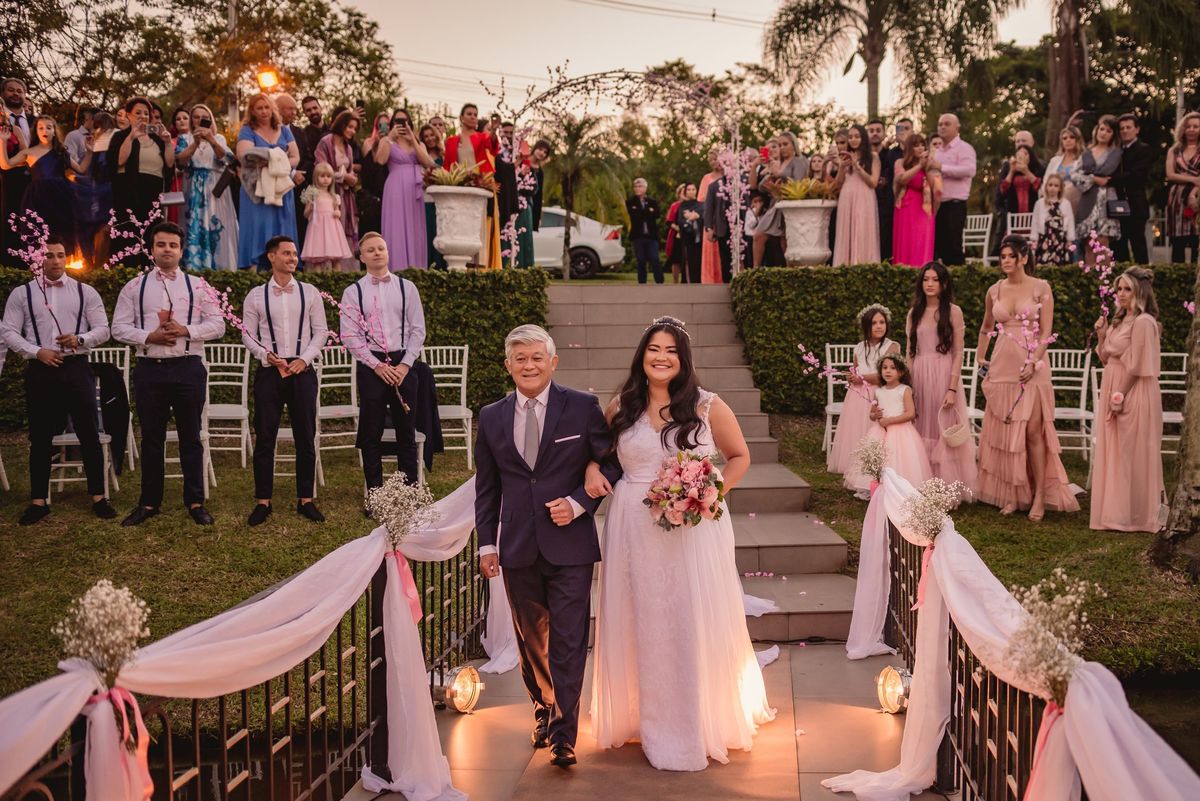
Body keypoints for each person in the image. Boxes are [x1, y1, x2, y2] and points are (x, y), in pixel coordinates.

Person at [584, 316, 774, 771]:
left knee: (685, 615)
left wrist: (709, 494)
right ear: (642, 355)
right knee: (638, 613)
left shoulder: (708, 407)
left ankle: (690, 718)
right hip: (631, 522)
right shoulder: (621, 406)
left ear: (683, 359)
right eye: (654, 348)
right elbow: (598, 456)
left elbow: (740, 456)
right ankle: (636, 714)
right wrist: (592, 469)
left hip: (692, 527)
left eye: (671, 350)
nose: (662, 357)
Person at [474, 324, 622, 769]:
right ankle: (543, 708)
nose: (529, 365)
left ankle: (564, 732)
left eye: (537, 357)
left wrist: (580, 503)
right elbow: (487, 487)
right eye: (520, 358)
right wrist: (486, 544)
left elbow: (612, 462)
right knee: (531, 640)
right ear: (508, 365)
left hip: (571, 546)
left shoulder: (581, 407)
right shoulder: (491, 416)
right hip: (517, 545)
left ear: (553, 362)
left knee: (570, 640)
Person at [112, 221, 225, 526]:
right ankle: (149, 503)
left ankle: (195, 502)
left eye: (173, 245)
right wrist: (149, 337)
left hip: (188, 367)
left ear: (181, 250)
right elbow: (118, 327)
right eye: (161, 244)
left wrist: (187, 330)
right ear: (152, 249)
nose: (167, 250)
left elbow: (219, 324)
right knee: (152, 438)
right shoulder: (134, 287)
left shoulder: (198, 285)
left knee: (191, 437)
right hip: (151, 369)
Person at [1, 235, 116, 524]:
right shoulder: (22, 294)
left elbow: (103, 329)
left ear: (67, 258)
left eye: (60, 255)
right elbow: (9, 331)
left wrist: (80, 338)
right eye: (48, 255)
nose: (54, 260)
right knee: (40, 436)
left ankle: (98, 497)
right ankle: (38, 501)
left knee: (89, 432)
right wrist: (36, 351)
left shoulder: (85, 292)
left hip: (76, 368)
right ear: (39, 258)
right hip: (41, 370)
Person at [975, 234, 1079, 521]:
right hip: (1002, 366)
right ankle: (1011, 494)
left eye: (1010, 256)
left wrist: (1034, 361)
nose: (1005, 261)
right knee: (1007, 433)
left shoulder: (1041, 288)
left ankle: (1040, 497)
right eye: (1002, 256)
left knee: (1033, 432)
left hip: (1032, 366)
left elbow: (1046, 332)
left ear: (1023, 257)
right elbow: (986, 327)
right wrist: (981, 357)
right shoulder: (994, 290)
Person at [241, 236, 329, 526]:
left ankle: (306, 499)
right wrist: (267, 356)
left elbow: (321, 332)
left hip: (302, 370)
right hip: (270, 372)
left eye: (295, 254)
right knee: (265, 436)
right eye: (287, 253)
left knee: (305, 436)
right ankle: (263, 501)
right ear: (272, 257)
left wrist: (304, 359)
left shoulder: (311, 292)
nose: (293, 258)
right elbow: (248, 334)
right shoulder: (255, 296)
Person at [340, 232, 426, 490]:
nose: (377, 252)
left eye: (381, 248)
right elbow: (350, 335)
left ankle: (408, 491)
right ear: (362, 257)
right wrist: (376, 365)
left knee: (406, 432)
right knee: (371, 432)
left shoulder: (407, 287)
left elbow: (417, 330)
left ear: (388, 253)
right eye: (371, 250)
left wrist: (404, 365)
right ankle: (375, 493)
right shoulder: (353, 292)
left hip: (403, 364)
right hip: (371, 367)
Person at [1090, 267, 1163, 532]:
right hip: (1114, 384)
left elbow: (1137, 367)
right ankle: (1116, 514)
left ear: (1139, 291)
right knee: (1116, 451)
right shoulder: (1121, 320)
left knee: (1130, 451)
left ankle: (1136, 515)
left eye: (1126, 289)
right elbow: (1106, 357)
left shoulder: (1143, 322)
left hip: (1133, 392)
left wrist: (1120, 396)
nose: (1120, 294)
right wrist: (1102, 334)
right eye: (1118, 288)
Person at [906, 262, 977, 496]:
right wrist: (907, 385)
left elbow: (958, 352)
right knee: (920, 426)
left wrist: (952, 388)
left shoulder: (953, 312)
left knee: (942, 428)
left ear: (944, 283)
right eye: (926, 279)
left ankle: (946, 488)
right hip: (919, 374)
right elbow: (910, 351)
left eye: (935, 279)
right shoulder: (914, 312)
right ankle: (922, 481)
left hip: (944, 374)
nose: (929, 284)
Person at [826, 304, 899, 479]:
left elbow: (887, 375)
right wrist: (851, 376)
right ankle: (859, 473)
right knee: (857, 432)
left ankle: (878, 471)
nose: (879, 326)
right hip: (857, 396)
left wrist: (862, 378)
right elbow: (856, 370)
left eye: (882, 322)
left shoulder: (892, 347)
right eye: (874, 323)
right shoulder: (859, 348)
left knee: (875, 433)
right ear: (867, 326)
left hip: (879, 394)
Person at [843, 354, 932, 496]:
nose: (888, 371)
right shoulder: (878, 391)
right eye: (884, 368)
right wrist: (875, 416)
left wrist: (889, 421)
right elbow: (872, 414)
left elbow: (910, 413)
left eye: (892, 368)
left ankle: (899, 489)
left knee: (898, 459)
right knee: (880, 458)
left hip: (901, 432)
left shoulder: (904, 390)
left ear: (901, 372)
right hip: (880, 431)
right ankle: (879, 488)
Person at [0, 114, 84, 252]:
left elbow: (81, 169)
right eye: (41, 128)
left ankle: (61, 265)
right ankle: (38, 266)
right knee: (35, 231)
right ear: (36, 131)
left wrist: (91, 151)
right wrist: (2, 141)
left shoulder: (61, 151)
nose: (45, 131)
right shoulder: (29, 152)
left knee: (60, 230)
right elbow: (5, 165)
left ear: (54, 131)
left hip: (60, 196)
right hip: (37, 197)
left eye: (48, 127)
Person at [236, 93, 299, 270]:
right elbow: (245, 155)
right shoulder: (247, 130)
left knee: (282, 227)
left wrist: (268, 159)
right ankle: (253, 269)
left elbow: (295, 156)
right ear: (252, 111)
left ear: (273, 108)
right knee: (256, 226)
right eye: (259, 108)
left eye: (267, 107)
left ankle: (283, 268)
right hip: (257, 189)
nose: (264, 111)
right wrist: (278, 157)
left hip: (281, 188)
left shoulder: (284, 130)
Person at [176, 103, 237, 270]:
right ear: (192, 121)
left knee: (216, 224)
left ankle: (220, 268)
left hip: (215, 186)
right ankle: (193, 266)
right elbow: (180, 161)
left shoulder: (219, 139)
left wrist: (210, 140)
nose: (200, 120)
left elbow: (229, 159)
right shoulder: (185, 138)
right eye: (196, 117)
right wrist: (195, 143)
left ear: (210, 120)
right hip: (193, 187)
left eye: (205, 117)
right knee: (193, 225)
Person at [376, 108, 436, 271]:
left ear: (410, 124)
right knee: (397, 229)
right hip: (395, 188)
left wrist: (413, 140)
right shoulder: (386, 140)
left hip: (414, 191)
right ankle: (395, 268)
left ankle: (416, 269)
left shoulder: (418, 142)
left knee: (415, 229)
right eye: (398, 122)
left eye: (405, 122)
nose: (402, 125)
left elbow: (428, 163)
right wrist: (390, 138)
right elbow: (380, 160)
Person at [107, 96, 173, 230]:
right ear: (128, 115)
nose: (143, 116)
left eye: (146, 113)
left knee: (152, 234)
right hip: (128, 194)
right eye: (138, 113)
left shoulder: (158, 139)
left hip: (154, 193)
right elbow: (119, 161)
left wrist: (167, 143)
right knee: (128, 235)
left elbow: (170, 165)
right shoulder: (120, 136)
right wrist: (131, 137)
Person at [752, 132, 808, 266]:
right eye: (780, 145)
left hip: (791, 204)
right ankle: (755, 270)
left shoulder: (799, 161)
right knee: (758, 235)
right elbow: (760, 187)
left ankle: (791, 270)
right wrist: (770, 178)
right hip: (776, 204)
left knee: (786, 241)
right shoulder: (779, 162)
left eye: (785, 144)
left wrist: (779, 175)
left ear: (794, 145)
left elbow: (798, 183)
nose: (782, 148)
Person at [1072, 115, 1122, 263]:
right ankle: (1090, 280)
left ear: (1113, 134)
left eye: (1108, 130)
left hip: (1105, 201)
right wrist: (1094, 178)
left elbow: (1110, 172)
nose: (1103, 133)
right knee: (1089, 244)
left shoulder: (1115, 153)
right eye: (1101, 129)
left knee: (1102, 243)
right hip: (1087, 200)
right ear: (1096, 130)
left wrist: (1092, 175)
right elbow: (1074, 175)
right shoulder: (1086, 153)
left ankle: (1104, 282)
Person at [315, 110, 361, 269]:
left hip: (345, 196)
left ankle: (345, 271)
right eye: (349, 127)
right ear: (341, 125)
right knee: (330, 231)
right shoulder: (325, 142)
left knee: (344, 232)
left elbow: (349, 170)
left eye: (354, 128)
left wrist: (351, 178)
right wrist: (342, 177)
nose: (352, 131)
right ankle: (327, 270)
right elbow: (320, 168)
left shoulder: (348, 147)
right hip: (327, 196)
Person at [832, 124, 880, 266]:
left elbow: (873, 182)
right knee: (845, 233)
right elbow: (837, 185)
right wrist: (841, 167)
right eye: (851, 137)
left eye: (857, 136)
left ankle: (863, 266)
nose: (853, 140)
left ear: (863, 138)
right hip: (847, 197)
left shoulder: (873, 157)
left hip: (864, 196)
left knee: (862, 230)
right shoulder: (844, 157)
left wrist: (857, 166)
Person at [932, 114, 976, 266]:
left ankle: (959, 282)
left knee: (953, 248)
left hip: (955, 204)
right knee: (940, 249)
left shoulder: (964, 148)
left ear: (957, 128)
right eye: (940, 124)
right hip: (939, 205)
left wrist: (942, 168)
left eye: (947, 124)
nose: (942, 127)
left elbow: (969, 170)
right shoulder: (937, 152)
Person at [1110, 114, 1153, 264]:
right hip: (1117, 205)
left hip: (1135, 205)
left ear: (1137, 129)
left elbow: (1137, 176)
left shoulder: (1144, 149)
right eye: (1122, 128)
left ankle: (1143, 281)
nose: (1125, 131)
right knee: (1118, 247)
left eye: (1128, 127)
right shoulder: (1116, 151)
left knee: (1138, 246)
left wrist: (1111, 179)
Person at [74, 111, 115, 265]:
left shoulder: (113, 140)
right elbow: (84, 168)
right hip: (92, 191)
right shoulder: (93, 144)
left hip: (106, 191)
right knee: (89, 228)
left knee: (104, 229)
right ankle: (91, 263)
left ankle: (98, 264)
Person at [892, 133, 936, 267]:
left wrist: (927, 166)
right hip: (906, 204)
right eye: (916, 145)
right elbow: (902, 179)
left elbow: (934, 186)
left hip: (925, 206)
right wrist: (919, 166)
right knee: (906, 241)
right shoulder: (900, 162)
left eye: (923, 145)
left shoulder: (930, 163)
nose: (920, 148)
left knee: (921, 240)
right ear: (910, 148)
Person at [1, 78, 33, 259]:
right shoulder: (1, 120)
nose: (15, 94)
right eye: (11, 90)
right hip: (6, 180)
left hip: (31, 182)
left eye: (19, 91)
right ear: (3, 94)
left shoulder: (36, 122)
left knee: (28, 225)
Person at [301, 162, 353, 270]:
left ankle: (337, 279)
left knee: (336, 257)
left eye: (328, 176)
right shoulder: (312, 194)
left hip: (332, 228)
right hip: (318, 227)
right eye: (322, 176)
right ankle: (318, 279)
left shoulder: (334, 196)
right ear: (316, 177)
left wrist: (337, 212)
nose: (325, 179)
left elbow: (338, 211)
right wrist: (310, 207)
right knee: (318, 257)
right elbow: (305, 214)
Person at [1164, 111, 1200, 264]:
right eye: (1188, 126)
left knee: (1196, 240)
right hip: (1177, 199)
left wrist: (1194, 192)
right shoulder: (1174, 150)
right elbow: (1170, 175)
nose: (1191, 129)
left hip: (1197, 197)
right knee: (1177, 243)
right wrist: (1193, 179)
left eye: (1196, 127)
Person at [868, 118, 902, 261]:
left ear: (884, 133)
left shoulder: (892, 155)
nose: (875, 134)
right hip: (867, 204)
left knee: (886, 244)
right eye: (871, 131)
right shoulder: (864, 157)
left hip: (887, 207)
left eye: (878, 130)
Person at [418, 123, 447, 269]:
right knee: (428, 233)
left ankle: (442, 267)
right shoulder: (421, 155)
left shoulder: (444, 155)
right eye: (426, 136)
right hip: (426, 199)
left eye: (431, 135)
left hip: (442, 202)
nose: (429, 139)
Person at [1031, 173, 1076, 266]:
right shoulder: (1039, 203)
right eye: (1050, 185)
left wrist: (1070, 239)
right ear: (1046, 186)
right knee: (1043, 264)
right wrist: (1034, 239)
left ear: (1060, 188)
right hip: (1045, 239)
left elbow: (1070, 222)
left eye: (1056, 186)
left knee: (1060, 265)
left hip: (1060, 240)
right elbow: (1035, 222)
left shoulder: (1065, 203)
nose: (1052, 188)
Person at [1041, 125, 1084, 213]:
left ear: (1077, 140)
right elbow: (1046, 180)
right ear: (1061, 142)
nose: (1068, 140)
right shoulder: (1055, 160)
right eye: (1065, 138)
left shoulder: (1082, 160)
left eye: (1072, 137)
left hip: (1074, 201)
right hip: (1052, 200)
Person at [626, 178, 662, 283]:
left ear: (645, 188)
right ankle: (642, 283)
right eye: (636, 186)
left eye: (640, 186)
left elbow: (657, 215)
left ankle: (659, 281)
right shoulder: (630, 202)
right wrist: (647, 212)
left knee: (654, 258)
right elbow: (634, 216)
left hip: (651, 236)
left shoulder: (652, 202)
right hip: (638, 236)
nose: (637, 188)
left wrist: (642, 212)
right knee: (641, 260)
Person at [697, 147, 725, 282]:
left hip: (725, 218)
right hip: (710, 218)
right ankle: (709, 279)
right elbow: (701, 200)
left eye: (716, 159)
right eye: (711, 160)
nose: (714, 162)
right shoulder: (706, 178)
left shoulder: (728, 176)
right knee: (710, 250)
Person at [676, 182, 703, 284]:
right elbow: (680, 220)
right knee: (687, 260)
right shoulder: (682, 206)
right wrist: (693, 217)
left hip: (699, 238)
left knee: (698, 260)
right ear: (685, 192)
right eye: (689, 189)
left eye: (693, 189)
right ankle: (687, 281)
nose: (691, 191)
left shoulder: (701, 204)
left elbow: (702, 216)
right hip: (687, 238)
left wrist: (695, 216)